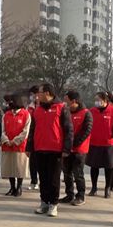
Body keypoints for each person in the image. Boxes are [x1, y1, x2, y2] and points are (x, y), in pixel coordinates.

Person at [27, 83, 73, 218]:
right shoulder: (37, 110)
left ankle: (53, 203)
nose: (37, 96)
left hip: (55, 150)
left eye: (39, 93)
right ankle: (44, 202)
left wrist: (66, 148)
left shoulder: (61, 108)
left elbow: (68, 130)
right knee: (43, 178)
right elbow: (32, 130)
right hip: (39, 148)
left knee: (53, 179)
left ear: (47, 93)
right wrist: (29, 147)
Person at [61, 90, 93, 206]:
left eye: (66, 101)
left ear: (74, 101)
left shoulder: (86, 113)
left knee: (78, 173)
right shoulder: (66, 113)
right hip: (67, 149)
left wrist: (74, 143)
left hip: (79, 149)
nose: (64, 103)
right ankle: (69, 194)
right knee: (67, 173)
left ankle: (80, 196)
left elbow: (86, 130)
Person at [86, 91, 113, 198]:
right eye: (95, 100)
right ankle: (94, 188)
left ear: (105, 100)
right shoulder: (91, 111)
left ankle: (107, 188)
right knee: (94, 166)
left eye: (98, 100)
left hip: (109, 143)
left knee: (109, 167)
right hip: (94, 142)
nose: (96, 102)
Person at [0, 94, 31, 197]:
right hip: (7, 146)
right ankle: (12, 187)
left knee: (19, 168)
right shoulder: (6, 115)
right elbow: (2, 130)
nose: (8, 104)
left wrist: (14, 141)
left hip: (19, 147)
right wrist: (6, 140)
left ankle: (19, 187)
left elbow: (25, 132)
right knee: (9, 168)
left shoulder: (26, 114)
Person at [26, 85, 40, 189]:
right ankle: (33, 181)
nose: (33, 97)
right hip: (32, 136)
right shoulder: (30, 107)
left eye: (34, 94)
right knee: (32, 160)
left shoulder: (44, 107)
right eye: (31, 95)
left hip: (42, 136)